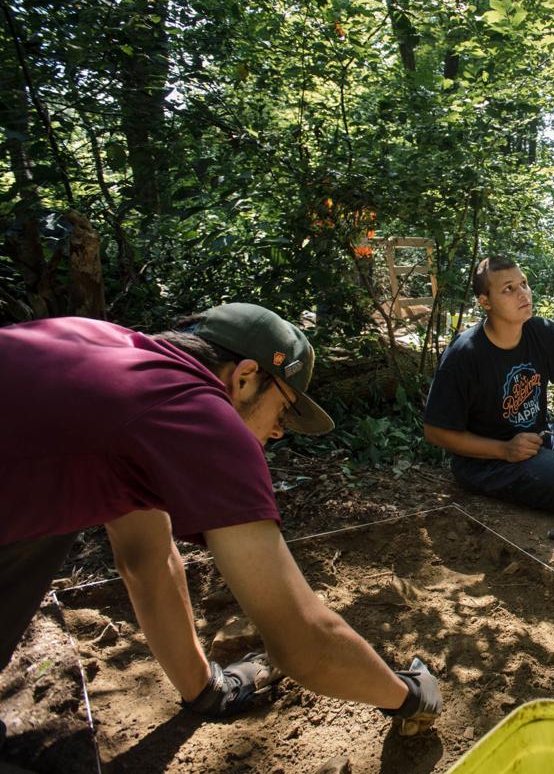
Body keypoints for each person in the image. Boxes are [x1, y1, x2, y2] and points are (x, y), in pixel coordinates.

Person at [0, 304, 441, 743]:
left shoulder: (105, 351)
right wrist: (406, 695)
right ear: (245, 377)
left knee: (45, 518)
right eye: (283, 411)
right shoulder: (201, 416)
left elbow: (146, 559)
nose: (279, 432)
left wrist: (208, 692)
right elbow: (304, 645)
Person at [424, 255, 554, 513]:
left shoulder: (543, 333)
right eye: (508, 289)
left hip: (539, 440)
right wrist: (504, 449)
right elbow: (435, 431)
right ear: (485, 301)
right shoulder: (464, 354)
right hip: (487, 461)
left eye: (523, 283)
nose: (523, 293)